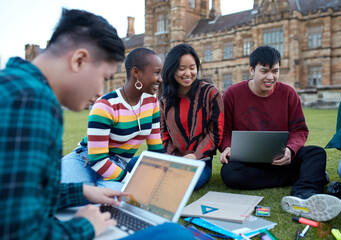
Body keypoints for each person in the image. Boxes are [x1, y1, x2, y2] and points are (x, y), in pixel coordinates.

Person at [0, 9, 195, 240]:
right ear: (79, 60)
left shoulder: (15, 86)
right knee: (175, 234)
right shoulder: (32, 102)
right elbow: (19, 232)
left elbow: (28, 193)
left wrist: (80, 192)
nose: (100, 91)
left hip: (106, 169)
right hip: (88, 163)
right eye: (103, 77)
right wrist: (85, 226)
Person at [219, 45, 341, 221]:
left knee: (316, 153)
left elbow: (299, 130)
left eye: (275, 71)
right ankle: (309, 177)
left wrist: (290, 150)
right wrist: (227, 147)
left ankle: (303, 193)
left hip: (282, 158)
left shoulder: (288, 93)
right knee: (230, 174)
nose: (270, 77)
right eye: (264, 71)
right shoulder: (232, 94)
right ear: (251, 70)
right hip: (248, 161)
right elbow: (224, 132)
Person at [61, 47, 164, 191]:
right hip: (85, 160)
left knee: (113, 204)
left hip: (118, 165)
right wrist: (129, 178)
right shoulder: (106, 105)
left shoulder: (152, 101)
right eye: (156, 72)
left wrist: (164, 173)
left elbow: (155, 147)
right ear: (136, 72)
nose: (160, 79)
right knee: (68, 196)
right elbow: (97, 160)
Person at [160, 43, 224, 189]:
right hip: (172, 159)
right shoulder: (165, 99)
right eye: (181, 69)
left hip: (200, 161)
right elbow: (163, 133)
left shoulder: (210, 93)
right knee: (136, 165)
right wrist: (171, 158)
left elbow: (216, 133)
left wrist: (194, 156)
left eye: (192, 67)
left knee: (183, 182)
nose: (188, 73)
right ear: (171, 70)